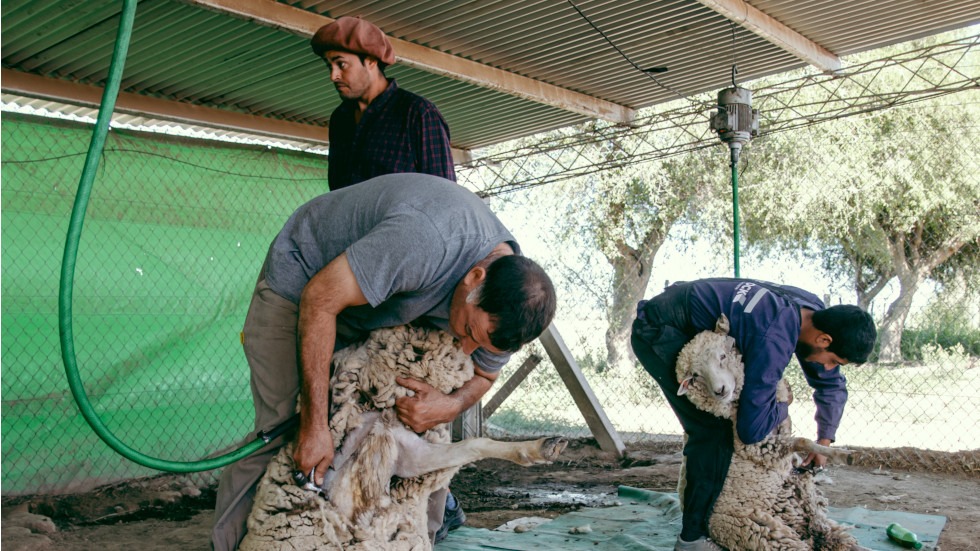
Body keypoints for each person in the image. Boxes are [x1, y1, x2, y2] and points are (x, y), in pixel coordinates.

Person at [211, 173, 556, 551]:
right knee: (288, 434)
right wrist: (314, 423)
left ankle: (417, 541)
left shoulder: (510, 309)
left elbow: (485, 374)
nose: (467, 348)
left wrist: (450, 405)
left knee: (427, 441)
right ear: (474, 278)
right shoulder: (424, 241)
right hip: (305, 286)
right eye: (469, 331)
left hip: (379, 308)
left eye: (481, 341)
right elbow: (320, 300)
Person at [630, 278, 876, 551]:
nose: (828, 368)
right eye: (833, 361)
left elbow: (829, 384)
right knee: (713, 431)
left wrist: (825, 441)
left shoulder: (813, 312)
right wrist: (783, 404)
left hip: (688, 314)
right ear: (823, 339)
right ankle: (692, 539)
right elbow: (751, 430)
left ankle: (709, 505)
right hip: (660, 329)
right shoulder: (773, 338)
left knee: (724, 425)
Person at [310, 16, 456, 191]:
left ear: (371, 60)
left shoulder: (418, 113)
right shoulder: (340, 119)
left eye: (341, 64)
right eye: (329, 66)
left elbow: (444, 195)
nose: (334, 76)